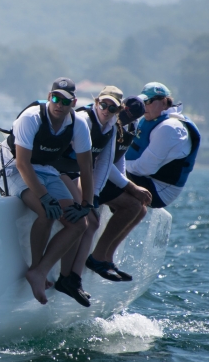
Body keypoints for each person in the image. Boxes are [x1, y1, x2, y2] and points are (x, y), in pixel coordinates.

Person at [1, 77, 96, 307]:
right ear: (49, 96)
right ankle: (36, 268)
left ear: (73, 103)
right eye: (55, 98)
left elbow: (86, 167)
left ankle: (39, 271)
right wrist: (44, 196)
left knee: (80, 224)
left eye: (65, 101)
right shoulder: (31, 117)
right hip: (14, 167)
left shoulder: (78, 124)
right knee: (46, 211)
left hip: (47, 170)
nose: (59, 104)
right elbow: (23, 164)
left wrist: (86, 204)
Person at [52, 89, 153, 284]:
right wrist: (128, 186)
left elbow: (115, 159)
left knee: (140, 209)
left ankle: (105, 258)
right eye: (104, 105)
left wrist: (121, 186)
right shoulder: (89, 121)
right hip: (74, 173)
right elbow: (96, 162)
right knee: (99, 217)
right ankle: (89, 263)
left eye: (113, 108)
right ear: (97, 102)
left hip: (95, 175)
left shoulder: (123, 126)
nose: (109, 111)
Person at [124, 82, 201, 209]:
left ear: (164, 103)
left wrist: (114, 167)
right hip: (145, 178)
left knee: (104, 172)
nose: (144, 106)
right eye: (143, 102)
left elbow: (145, 168)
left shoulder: (169, 127)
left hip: (159, 190)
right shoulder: (151, 119)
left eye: (149, 101)